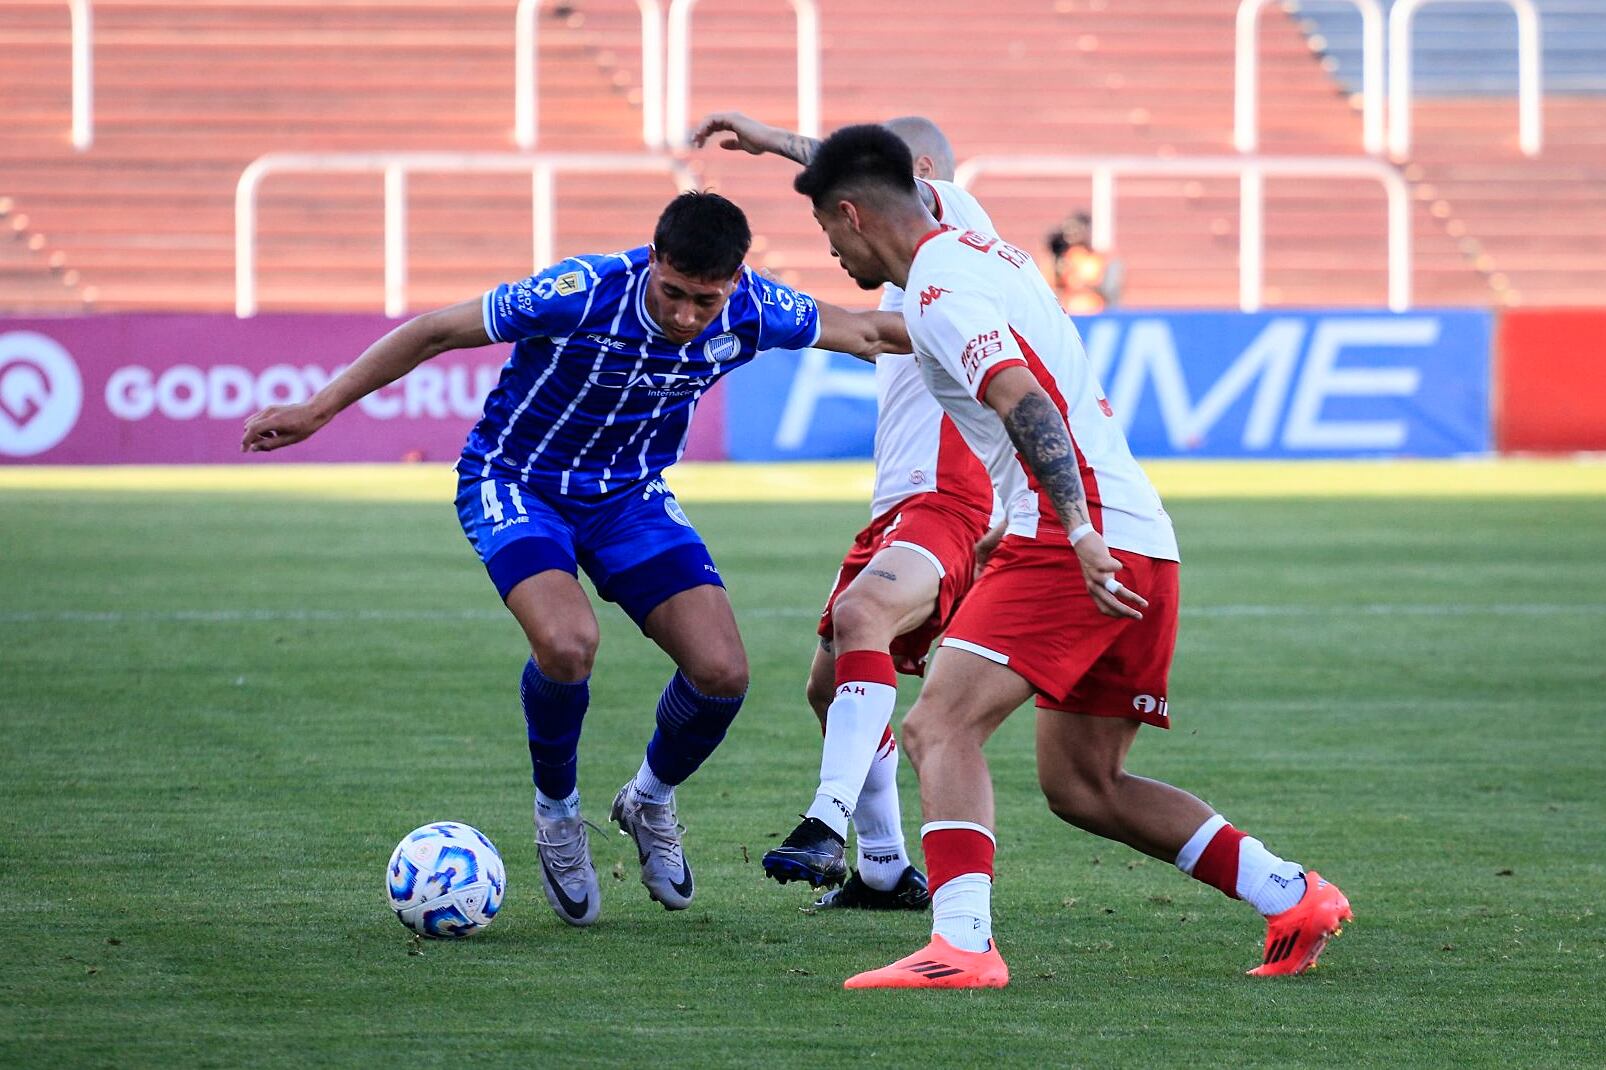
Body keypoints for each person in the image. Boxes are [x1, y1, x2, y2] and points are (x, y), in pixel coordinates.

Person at [240, 191, 910, 929]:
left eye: (706, 301)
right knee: (567, 643)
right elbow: (435, 332)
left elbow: (873, 331)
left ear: (735, 283)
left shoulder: (759, 308)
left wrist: (995, 342)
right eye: (675, 294)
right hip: (517, 481)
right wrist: (317, 408)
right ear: (652, 262)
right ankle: (557, 814)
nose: (688, 317)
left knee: (722, 674)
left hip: (628, 496)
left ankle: (648, 799)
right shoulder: (580, 292)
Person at [791, 126, 1353, 988]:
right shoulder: (992, 253)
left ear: (852, 214)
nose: (831, 253)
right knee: (1085, 786)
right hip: (1142, 538)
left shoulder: (942, 290)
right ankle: (1291, 892)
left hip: (1081, 538)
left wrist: (1073, 528)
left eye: (828, 236)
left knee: (939, 726)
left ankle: (963, 946)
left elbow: (1023, 400)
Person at [693, 111, 998, 910]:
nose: (835, 233)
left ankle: (826, 819)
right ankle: (886, 867)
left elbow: (872, 175)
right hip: (898, 506)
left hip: (948, 498)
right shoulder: (924, 287)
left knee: (864, 615)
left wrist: (772, 141)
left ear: (919, 173)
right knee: (828, 688)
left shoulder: (958, 224)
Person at [1046, 211, 1122, 313]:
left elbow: (1109, 291)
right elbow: (1052, 287)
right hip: (1071, 312)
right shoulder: (1066, 257)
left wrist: (1082, 282)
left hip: (1095, 312)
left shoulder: (1100, 258)